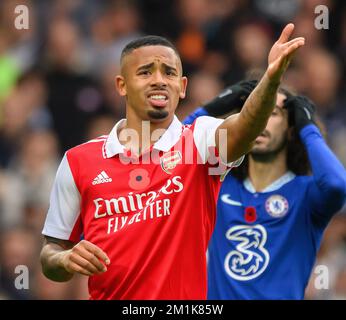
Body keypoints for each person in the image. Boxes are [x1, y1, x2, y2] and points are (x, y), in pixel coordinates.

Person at [40, 24, 305, 299]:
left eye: (169, 72)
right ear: (121, 85)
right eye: (145, 72)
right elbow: (51, 253)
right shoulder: (79, 161)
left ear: (182, 86)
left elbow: (247, 126)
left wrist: (271, 80)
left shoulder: (201, 141)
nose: (159, 80)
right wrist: (64, 259)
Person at [184, 80, 346, 299]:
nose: (260, 119)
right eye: (255, 111)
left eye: (273, 113)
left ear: (291, 129)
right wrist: (212, 109)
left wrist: (308, 128)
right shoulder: (217, 184)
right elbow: (166, 160)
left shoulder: (307, 194)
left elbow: (337, 184)